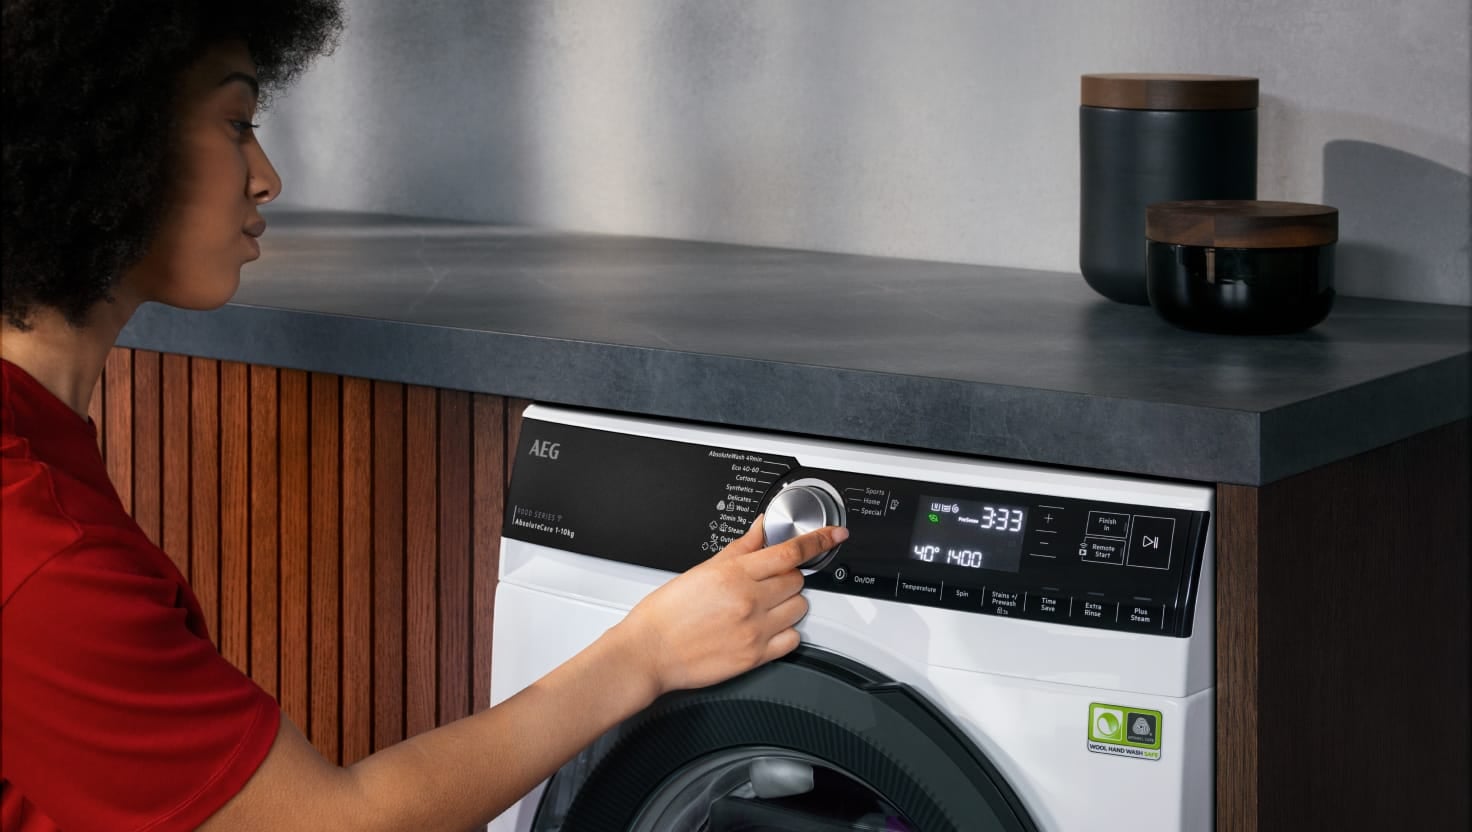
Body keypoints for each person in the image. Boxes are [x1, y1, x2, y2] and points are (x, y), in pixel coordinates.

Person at [0, 3, 846, 830]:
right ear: (112, 145)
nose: (267, 176)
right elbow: (331, 824)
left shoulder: (37, 443)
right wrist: (646, 655)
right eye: (236, 122)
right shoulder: (36, 549)